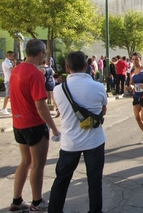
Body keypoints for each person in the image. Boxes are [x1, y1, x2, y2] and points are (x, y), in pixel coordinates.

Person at [48, 51, 108, 212]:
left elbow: (60, 109)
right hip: (94, 141)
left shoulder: (58, 90)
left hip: (69, 143)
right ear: (86, 66)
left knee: (61, 180)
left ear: (67, 68)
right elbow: (103, 111)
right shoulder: (98, 87)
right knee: (95, 181)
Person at [8, 39, 60, 212]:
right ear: (40, 53)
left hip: (19, 124)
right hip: (34, 124)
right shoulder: (35, 73)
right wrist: (53, 127)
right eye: (44, 53)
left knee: (25, 162)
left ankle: (17, 200)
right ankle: (37, 202)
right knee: (38, 164)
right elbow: (41, 106)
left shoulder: (16, 70)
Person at [1, 50, 15, 115]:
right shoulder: (7, 62)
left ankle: (9, 108)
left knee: (10, 95)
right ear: (9, 55)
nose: (13, 57)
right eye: (12, 56)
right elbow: (13, 69)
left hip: (10, 80)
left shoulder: (8, 62)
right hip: (8, 80)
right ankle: (3, 108)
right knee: (8, 95)